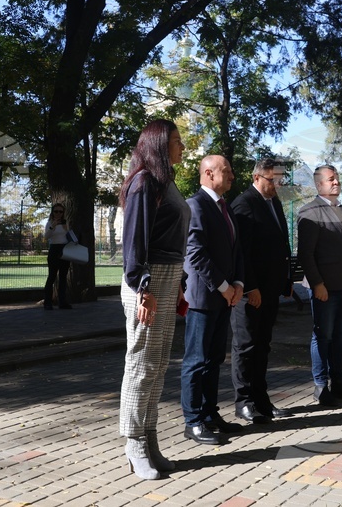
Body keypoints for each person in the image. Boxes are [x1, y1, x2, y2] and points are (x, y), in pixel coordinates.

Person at [118, 119, 190, 481]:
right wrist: (143, 287)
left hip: (168, 278)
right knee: (141, 365)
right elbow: (135, 240)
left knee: (158, 364)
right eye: (176, 141)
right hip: (147, 283)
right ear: (159, 144)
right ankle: (133, 443)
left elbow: (174, 238)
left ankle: (149, 437)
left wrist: (179, 283)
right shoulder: (144, 182)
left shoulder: (166, 182)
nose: (182, 147)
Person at [180, 155, 245, 445]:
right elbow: (195, 253)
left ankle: (209, 414)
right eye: (226, 171)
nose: (232, 175)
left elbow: (236, 250)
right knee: (196, 360)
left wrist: (238, 284)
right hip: (203, 298)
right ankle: (193, 421)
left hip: (224, 296)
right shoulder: (195, 205)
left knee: (214, 359)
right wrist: (224, 287)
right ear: (208, 173)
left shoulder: (224, 207)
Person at [297, 164, 342, 407]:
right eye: (330, 179)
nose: (336, 182)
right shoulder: (309, 212)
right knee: (322, 336)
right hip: (324, 289)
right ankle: (321, 387)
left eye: (337, 178)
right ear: (319, 185)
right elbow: (306, 254)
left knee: (338, 337)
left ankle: (339, 384)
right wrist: (317, 284)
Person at [229, 158, 293, 423]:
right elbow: (241, 252)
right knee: (246, 346)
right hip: (250, 292)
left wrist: (287, 279)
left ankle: (261, 399)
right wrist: (251, 287)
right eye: (272, 180)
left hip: (271, 288)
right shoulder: (244, 204)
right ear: (256, 178)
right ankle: (244, 401)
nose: (277, 185)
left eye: (280, 180)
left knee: (263, 344)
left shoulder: (273, 203)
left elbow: (281, 244)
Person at [43, 204, 72, 310]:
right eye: (56, 211)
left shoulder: (65, 223)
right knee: (52, 276)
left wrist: (67, 229)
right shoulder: (50, 223)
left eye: (60, 211)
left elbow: (70, 236)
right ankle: (47, 302)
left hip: (64, 249)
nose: (58, 214)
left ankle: (62, 302)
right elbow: (46, 237)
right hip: (54, 249)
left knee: (63, 277)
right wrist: (53, 226)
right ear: (52, 212)